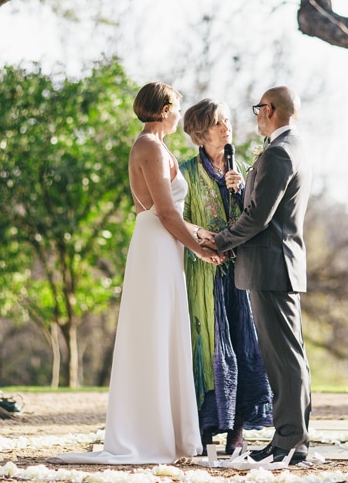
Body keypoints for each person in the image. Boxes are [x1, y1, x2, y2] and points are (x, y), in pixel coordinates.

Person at [50, 82, 221, 465]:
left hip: (165, 244)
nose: (179, 113)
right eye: (176, 107)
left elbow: (174, 215)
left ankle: (169, 433)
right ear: (163, 110)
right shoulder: (148, 146)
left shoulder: (158, 147)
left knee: (166, 331)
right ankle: (148, 433)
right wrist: (199, 249)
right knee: (154, 332)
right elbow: (163, 212)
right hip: (156, 246)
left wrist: (207, 237)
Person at [199, 86, 312, 465]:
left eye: (258, 109)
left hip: (271, 265)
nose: (256, 115)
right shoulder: (294, 146)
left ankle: (290, 441)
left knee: (283, 357)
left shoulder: (279, 151)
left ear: (271, 109)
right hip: (278, 264)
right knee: (289, 355)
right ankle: (292, 438)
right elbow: (269, 205)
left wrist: (221, 240)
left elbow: (261, 217)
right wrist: (244, 189)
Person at [179, 99, 272, 454]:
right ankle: (203, 431)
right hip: (203, 272)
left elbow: (257, 218)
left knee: (242, 345)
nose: (226, 128)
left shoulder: (242, 170)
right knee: (208, 347)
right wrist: (203, 238)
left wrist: (243, 190)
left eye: (228, 121)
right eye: (218, 123)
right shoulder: (186, 173)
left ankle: (237, 433)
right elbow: (176, 219)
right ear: (202, 133)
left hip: (240, 275)